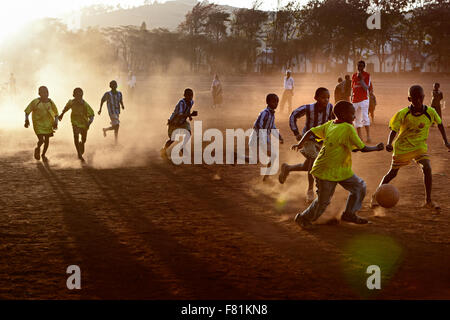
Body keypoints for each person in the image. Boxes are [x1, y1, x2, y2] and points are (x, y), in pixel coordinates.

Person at [292, 101, 384, 229]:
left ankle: (349, 214)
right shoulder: (348, 128)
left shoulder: (330, 124)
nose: (354, 117)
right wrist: (376, 148)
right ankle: (303, 218)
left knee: (359, 187)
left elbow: (311, 132)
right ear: (343, 114)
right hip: (325, 171)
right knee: (323, 201)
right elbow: (362, 148)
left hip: (340, 170)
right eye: (352, 114)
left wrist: (301, 143)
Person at [371, 85, 450, 212]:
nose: (418, 100)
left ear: (424, 97)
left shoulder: (431, 112)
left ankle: (428, 201)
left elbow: (440, 124)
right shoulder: (403, 113)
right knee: (392, 173)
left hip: (419, 147)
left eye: (420, 97)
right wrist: (389, 142)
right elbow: (394, 130)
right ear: (409, 99)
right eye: (414, 98)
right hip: (403, 147)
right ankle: (376, 196)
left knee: (427, 167)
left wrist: (446, 141)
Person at [279, 88, 334, 203]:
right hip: (307, 140)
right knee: (313, 161)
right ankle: (310, 190)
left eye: (328, 97)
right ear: (316, 98)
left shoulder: (330, 108)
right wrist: (297, 133)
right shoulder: (309, 108)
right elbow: (293, 115)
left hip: (320, 141)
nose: (326, 100)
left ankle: (288, 168)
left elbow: (333, 121)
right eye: (323, 97)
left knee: (307, 166)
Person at [248, 93, 284, 181]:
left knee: (256, 159)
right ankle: (266, 177)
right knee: (270, 156)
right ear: (268, 102)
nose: (276, 104)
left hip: (264, 138)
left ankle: (266, 177)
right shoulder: (264, 113)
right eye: (274, 102)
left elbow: (272, 127)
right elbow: (257, 125)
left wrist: (279, 137)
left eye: (277, 102)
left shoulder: (272, 114)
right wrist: (262, 140)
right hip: (258, 138)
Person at [58, 88, 95, 162]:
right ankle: (79, 154)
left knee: (83, 139)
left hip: (84, 124)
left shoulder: (85, 105)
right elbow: (66, 108)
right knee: (76, 137)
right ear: (74, 95)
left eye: (80, 96)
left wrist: (89, 122)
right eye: (77, 96)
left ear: (82, 96)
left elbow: (92, 115)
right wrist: (62, 114)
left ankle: (82, 143)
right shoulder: (71, 102)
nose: (79, 98)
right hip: (75, 123)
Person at [160, 88, 198, 159]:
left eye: (191, 95)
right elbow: (179, 114)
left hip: (182, 122)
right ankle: (163, 150)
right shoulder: (181, 103)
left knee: (188, 133)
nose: (190, 97)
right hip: (174, 122)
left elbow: (187, 111)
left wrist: (189, 116)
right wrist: (190, 115)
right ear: (185, 95)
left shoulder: (191, 102)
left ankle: (182, 147)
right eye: (189, 95)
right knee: (173, 138)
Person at [24, 86, 59, 162]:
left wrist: (56, 122)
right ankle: (37, 148)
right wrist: (26, 120)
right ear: (39, 93)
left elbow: (56, 114)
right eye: (43, 92)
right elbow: (27, 111)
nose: (45, 94)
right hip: (38, 124)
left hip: (48, 124)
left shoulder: (51, 102)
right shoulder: (35, 102)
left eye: (46, 92)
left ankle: (43, 154)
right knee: (41, 140)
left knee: (47, 141)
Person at [352, 61, 373, 142]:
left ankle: (368, 137)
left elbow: (366, 88)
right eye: (358, 66)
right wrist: (351, 98)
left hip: (364, 99)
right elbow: (352, 87)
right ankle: (360, 137)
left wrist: (361, 79)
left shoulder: (367, 75)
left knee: (365, 117)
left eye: (361, 66)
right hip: (355, 100)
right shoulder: (353, 75)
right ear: (356, 66)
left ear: (364, 67)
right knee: (356, 118)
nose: (360, 67)